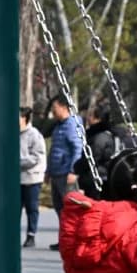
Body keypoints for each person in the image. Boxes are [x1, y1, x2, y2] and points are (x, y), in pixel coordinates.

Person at [45, 94, 83, 250]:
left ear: (63, 107)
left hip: (66, 174)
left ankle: (74, 241)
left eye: (55, 108)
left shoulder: (72, 125)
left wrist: (74, 170)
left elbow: (77, 149)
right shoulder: (59, 125)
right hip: (56, 173)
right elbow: (55, 149)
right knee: (59, 208)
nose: (53, 112)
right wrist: (48, 171)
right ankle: (64, 240)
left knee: (70, 209)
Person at [19, 106, 46, 247]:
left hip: (31, 178)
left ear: (25, 118)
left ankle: (31, 235)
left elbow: (36, 157)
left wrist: (17, 163)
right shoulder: (13, 133)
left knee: (31, 208)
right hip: (17, 179)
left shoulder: (34, 135)